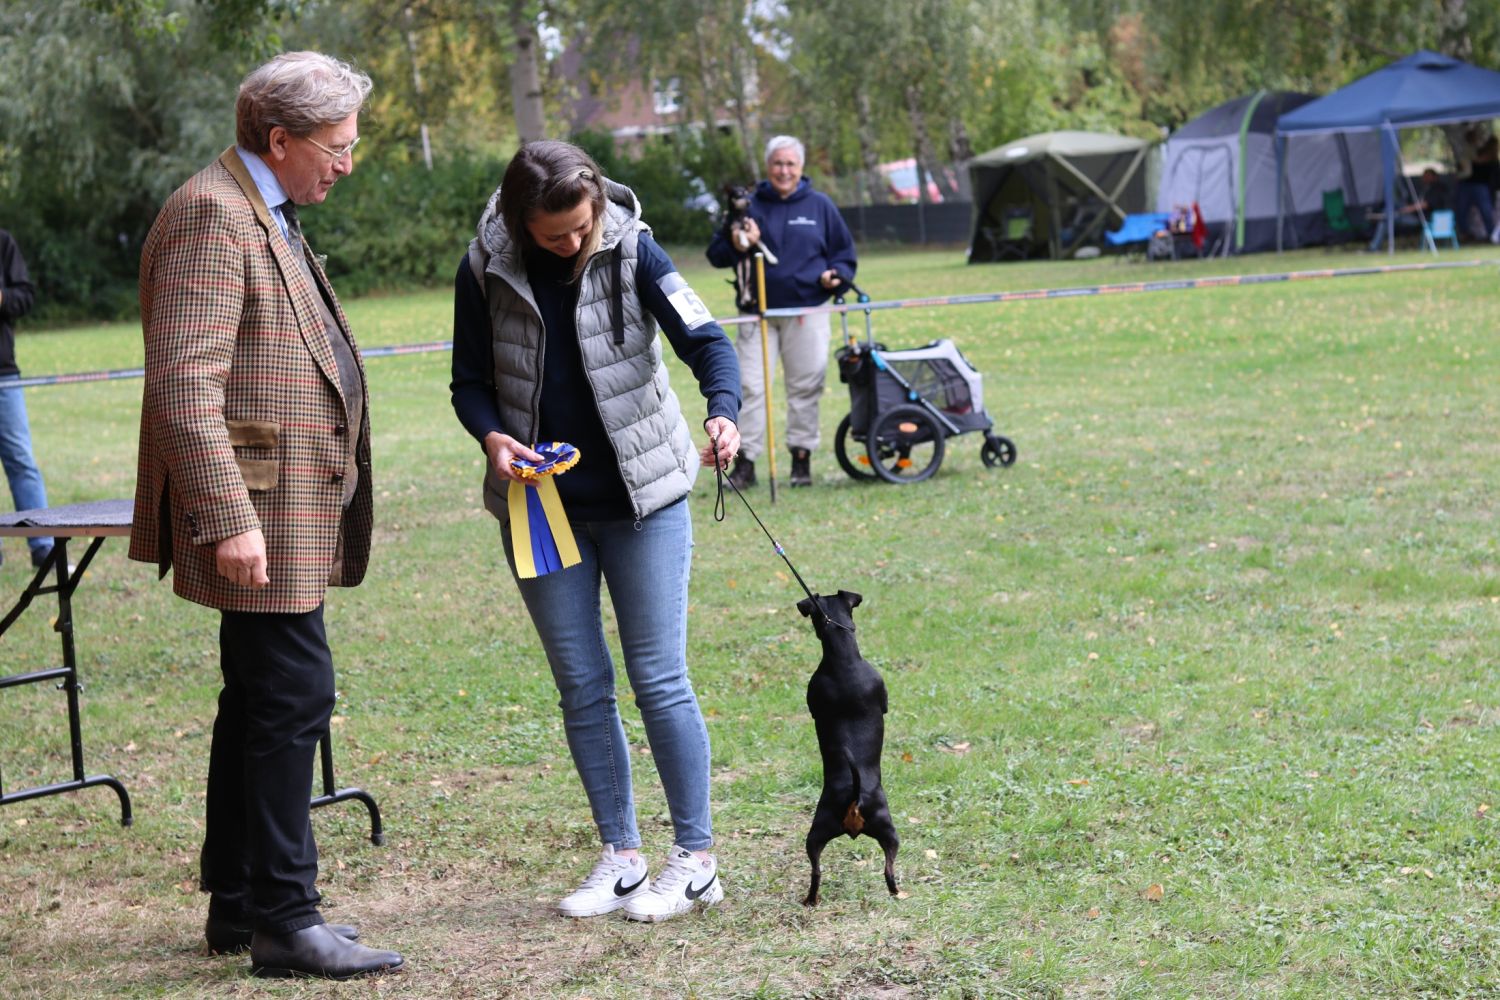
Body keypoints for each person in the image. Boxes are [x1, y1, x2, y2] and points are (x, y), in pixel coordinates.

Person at [129, 51, 402, 980]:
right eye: (336, 147)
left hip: (281, 505)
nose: (347, 164)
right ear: (279, 139)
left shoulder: (261, 207)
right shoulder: (212, 214)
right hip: (260, 511)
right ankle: (287, 918)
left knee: (258, 698)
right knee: (293, 695)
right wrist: (228, 517)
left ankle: (242, 902)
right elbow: (183, 384)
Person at [450, 140, 740, 923]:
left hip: (646, 501)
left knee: (659, 678)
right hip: (541, 507)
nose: (575, 242)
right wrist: (492, 437)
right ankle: (621, 856)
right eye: (556, 235)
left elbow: (707, 341)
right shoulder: (482, 268)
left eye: (583, 226)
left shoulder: (634, 248)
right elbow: (469, 382)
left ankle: (696, 861)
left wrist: (723, 412)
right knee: (581, 684)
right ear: (521, 223)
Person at [707, 135, 856, 489]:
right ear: (767, 166)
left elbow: (844, 255)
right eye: (778, 163)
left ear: (801, 167)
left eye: (790, 164)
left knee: (806, 385)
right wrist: (736, 238)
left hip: (807, 309)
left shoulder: (820, 205)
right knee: (749, 386)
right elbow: (716, 255)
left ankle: (801, 458)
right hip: (756, 313)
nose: (784, 170)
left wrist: (837, 275)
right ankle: (746, 461)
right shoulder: (748, 205)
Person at [0, 227, 58, 570]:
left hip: (3, 375)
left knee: (21, 461)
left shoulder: (3, 242)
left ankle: (43, 546)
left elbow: (25, 296)